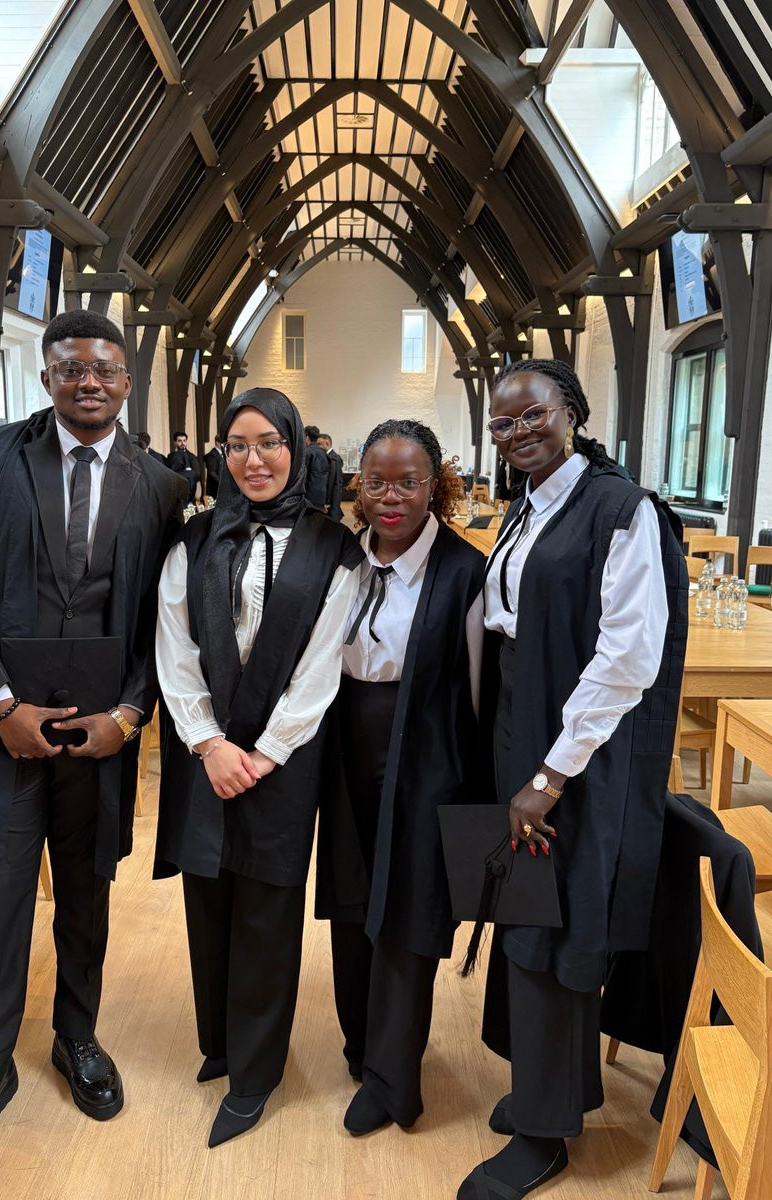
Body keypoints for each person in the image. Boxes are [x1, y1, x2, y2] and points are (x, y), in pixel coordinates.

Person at [0, 309, 186, 1176]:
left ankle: (78, 1036)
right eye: (72, 369)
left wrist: (132, 714)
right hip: (0, 727)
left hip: (99, 731)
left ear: (127, 382)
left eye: (105, 369)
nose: (89, 382)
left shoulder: (158, 484)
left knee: (84, 893)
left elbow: (161, 617)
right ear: (46, 378)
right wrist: (1, 703)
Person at [457, 359, 687, 1200]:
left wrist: (551, 774)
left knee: (557, 925)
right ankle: (548, 1088)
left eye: (534, 415)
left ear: (573, 414)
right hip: (518, 717)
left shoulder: (621, 510)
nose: (518, 432)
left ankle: (547, 1134)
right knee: (523, 906)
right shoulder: (529, 503)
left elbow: (628, 658)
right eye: (502, 422)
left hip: (574, 745)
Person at [154, 388, 363, 1148]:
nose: (254, 459)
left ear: (296, 448)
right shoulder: (195, 537)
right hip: (205, 752)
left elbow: (323, 662)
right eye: (238, 445)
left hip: (285, 757)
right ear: (221, 454)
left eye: (269, 443)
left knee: (268, 911)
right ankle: (220, 1043)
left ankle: (256, 1073)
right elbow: (173, 645)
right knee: (207, 896)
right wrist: (208, 742)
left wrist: (268, 750)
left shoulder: (334, 545)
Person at [316, 419, 486, 1136]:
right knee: (352, 900)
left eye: (409, 483)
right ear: (360, 486)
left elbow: (480, 685)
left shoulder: (464, 569)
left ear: (435, 486)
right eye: (378, 483)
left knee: (409, 909)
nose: (391, 498)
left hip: (426, 751)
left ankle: (394, 1078)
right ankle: (361, 1047)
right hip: (342, 743)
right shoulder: (339, 556)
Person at [167, 430, 201, 502]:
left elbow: (197, 475)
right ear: (175, 442)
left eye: (184, 441)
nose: (183, 443)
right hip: (175, 491)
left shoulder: (192, 457)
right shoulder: (170, 456)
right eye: (180, 441)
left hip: (190, 492)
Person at [318, 432, 344, 521]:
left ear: (327, 443)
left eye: (319, 444)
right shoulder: (326, 457)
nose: (317, 447)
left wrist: (328, 503)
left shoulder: (334, 459)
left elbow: (335, 483)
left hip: (330, 504)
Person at [304, 423, 329, 510]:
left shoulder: (307, 452)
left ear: (307, 437)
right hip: (322, 495)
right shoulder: (324, 453)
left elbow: (303, 475)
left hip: (308, 496)